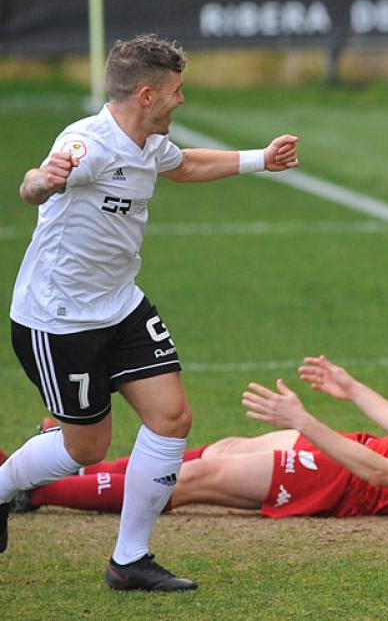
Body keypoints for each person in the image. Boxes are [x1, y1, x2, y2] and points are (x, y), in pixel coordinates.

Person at [0, 34, 301, 591]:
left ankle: (129, 560)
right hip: (60, 319)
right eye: (175, 91)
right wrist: (45, 180)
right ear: (145, 95)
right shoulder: (86, 144)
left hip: (121, 304)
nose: (180, 100)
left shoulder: (146, 143)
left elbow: (181, 165)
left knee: (172, 419)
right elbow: (31, 183)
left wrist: (262, 159)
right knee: (85, 449)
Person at [7, 344, 388, 524]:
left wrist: (305, 422)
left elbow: (385, 474)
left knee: (196, 476)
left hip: (342, 482)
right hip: (348, 457)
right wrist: (353, 389)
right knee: (218, 451)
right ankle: (53, 472)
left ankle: (33, 490)